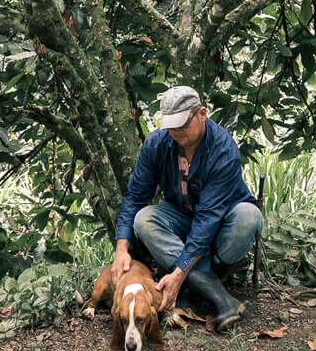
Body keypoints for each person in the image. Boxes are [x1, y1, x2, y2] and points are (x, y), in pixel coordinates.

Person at [110, 86, 263, 331]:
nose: (176, 132)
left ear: (202, 113)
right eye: (171, 126)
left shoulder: (224, 149)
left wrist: (179, 274)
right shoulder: (157, 144)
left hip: (221, 224)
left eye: (182, 124)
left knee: (249, 216)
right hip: (182, 218)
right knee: (144, 219)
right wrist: (121, 248)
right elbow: (136, 196)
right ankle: (219, 295)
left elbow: (208, 220)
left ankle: (199, 283)